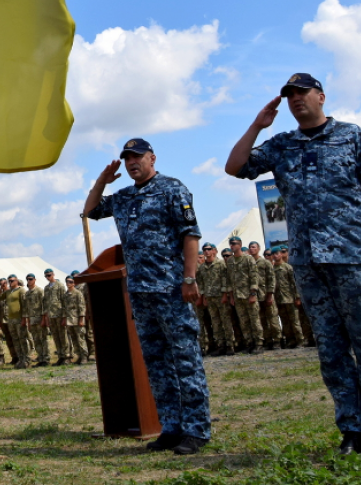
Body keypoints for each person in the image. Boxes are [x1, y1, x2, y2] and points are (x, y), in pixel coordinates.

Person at [226, 72, 361, 455]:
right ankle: (353, 428)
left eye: (302, 93)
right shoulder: (281, 145)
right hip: (307, 262)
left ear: (321, 96)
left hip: (352, 256)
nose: (295, 100)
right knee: (332, 350)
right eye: (289, 95)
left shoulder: (353, 136)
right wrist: (257, 125)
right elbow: (235, 166)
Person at [85, 137, 210, 455]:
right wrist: (102, 181)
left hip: (171, 289)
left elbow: (191, 235)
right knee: (157, 364)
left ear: (152, 158)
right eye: (127, 159)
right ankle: (170, 427)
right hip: (140, 294)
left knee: (185, 361)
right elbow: (90, 210)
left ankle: (196, 430)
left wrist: (189, 278)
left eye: (137, 157)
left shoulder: (172, 189)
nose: (131, 163)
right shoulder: (123, 197)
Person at [225, 237, 263, 354]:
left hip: (248, 295)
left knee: (254, 320)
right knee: (243, 321)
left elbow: (254, 277)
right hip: (237, 296)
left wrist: (253, 293)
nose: (232, 246)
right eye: (231, 244)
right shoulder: (230, 261)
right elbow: (229, 280)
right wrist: (231, 296)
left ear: (240, 244)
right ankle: (249, 343)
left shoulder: (248, 259)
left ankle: (259, 344)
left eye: (235, 244)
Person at [43, 270, 69, 365]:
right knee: (56, 336)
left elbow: (64, 301)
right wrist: (46, 317)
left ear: (53, 274)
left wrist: (64, 316)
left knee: (63, 336)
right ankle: (60, 356)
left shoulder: (60, 285)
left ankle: (66, 356)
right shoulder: (46, 288)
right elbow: (45, 303)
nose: (48, 277)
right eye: (46, 276)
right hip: (51, 315)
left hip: (59, 314)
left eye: (49, 275)